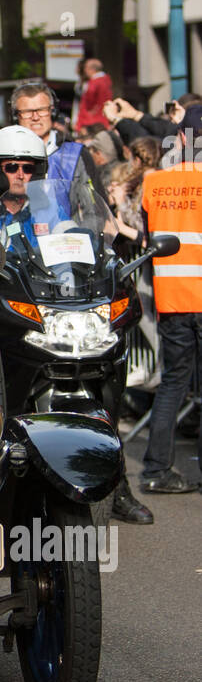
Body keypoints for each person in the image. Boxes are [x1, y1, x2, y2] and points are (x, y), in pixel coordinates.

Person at [138, 104, 202, 493]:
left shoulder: (154, 183)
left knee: (173, 384)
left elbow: (149, 240)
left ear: (181, 138)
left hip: (173, 299)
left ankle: (156, 471)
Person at [11, 80, 103, 194]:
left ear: (53, 112)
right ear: (16, 117)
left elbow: (95, 205)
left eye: (42, 110)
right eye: (27, 112)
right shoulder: (3, 154)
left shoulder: (77, 153)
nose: (35, 117)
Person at [76, 57, 112, 130]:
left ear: (92, 69)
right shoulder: (106, 80)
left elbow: (88, 102)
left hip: (91, 120)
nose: (85, 70)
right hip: (103, 119)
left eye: (86, 68)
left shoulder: (94, 83)